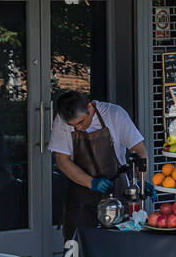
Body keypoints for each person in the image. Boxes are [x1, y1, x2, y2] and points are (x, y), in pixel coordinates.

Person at [49, 91, 147, 245]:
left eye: (81, 122)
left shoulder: (115, 114)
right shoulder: (62, 121)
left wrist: (141, 183)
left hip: (116, 191)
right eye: (73, 126)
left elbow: (139, 151)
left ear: (89, 107)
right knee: (74, 250)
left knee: (114, 251)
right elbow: (62, 161)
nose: (78, 128)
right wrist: (91, 182)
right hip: (81, 191)